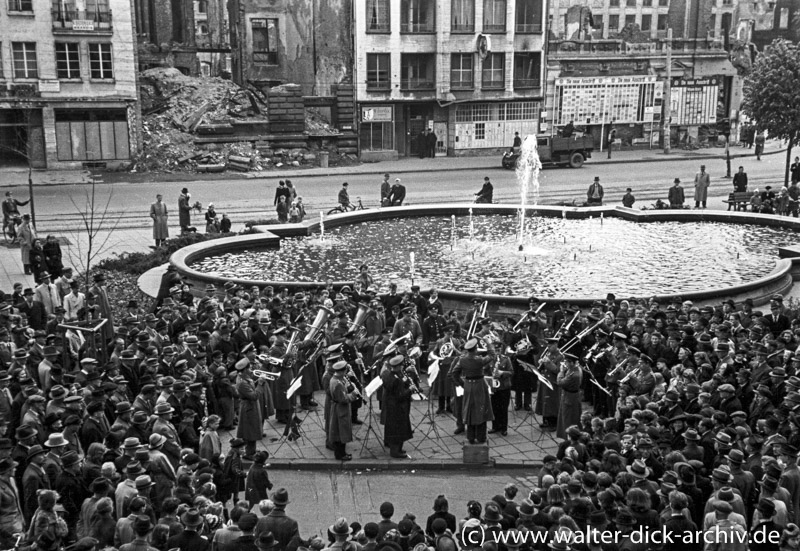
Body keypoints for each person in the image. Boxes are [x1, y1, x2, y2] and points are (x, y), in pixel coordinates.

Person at [451, 338, 496, 445]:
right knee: (481, 410)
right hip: (480, 385)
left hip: (468, 385)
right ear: (475, 349)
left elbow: (454, 373)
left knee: (469, 411)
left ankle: (470, 436)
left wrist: (463, 384)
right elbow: (492, 355)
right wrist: (488, 343)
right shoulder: (479, 360)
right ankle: (481, 437)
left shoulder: (462, 360)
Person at [381, 355, 414, 458]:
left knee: (397, 429)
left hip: (392, 407)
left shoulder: (390, 375)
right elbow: (400, 395)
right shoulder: (396, 379)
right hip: (398, 407)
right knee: (398, 430)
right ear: (398, 366)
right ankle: (395, 452)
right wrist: (410, 389)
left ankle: (398, 449)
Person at [328, 360, 360, 461]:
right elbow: (344, 399)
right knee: (341, 433)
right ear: (342, 371)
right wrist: (354, 394)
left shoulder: (337, 379)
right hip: (340, 410)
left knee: (341, 432)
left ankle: (343, 453)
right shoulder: (338, 383)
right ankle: (340, 455)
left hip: (339, 409)